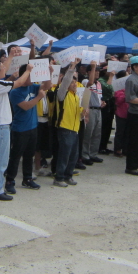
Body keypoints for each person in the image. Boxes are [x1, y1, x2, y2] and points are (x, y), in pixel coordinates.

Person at [0, 56, 34, 200]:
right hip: (0, 127)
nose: (5, 68)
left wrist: (11, 56)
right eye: (2, 68)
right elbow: (20, 82)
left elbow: (7, 78)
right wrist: (28, 70)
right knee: (0, 161)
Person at [6, 64, 51, 193]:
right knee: (16, 156)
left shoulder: (33, 86)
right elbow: (25, 106)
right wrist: (38, 97)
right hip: (20, 128)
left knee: (29, 155)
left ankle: (27, 178)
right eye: (31, 75)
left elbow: (46, 86)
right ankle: (10, 180)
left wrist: (48, 74)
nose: (33, 78)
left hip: (33, 126)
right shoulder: (15, 91)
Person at [53, 59, 84, 187]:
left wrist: (84, 113)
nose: (74, 83)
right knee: (64, 155)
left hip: (75, 128)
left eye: (75, 81)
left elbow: (80, 114)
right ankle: (59, 177)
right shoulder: (63, 94)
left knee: (73, 155)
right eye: (72, 82)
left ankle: (68, 175)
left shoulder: (76, 96)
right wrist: (72, 67)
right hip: (65, 128)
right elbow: (65, 81)